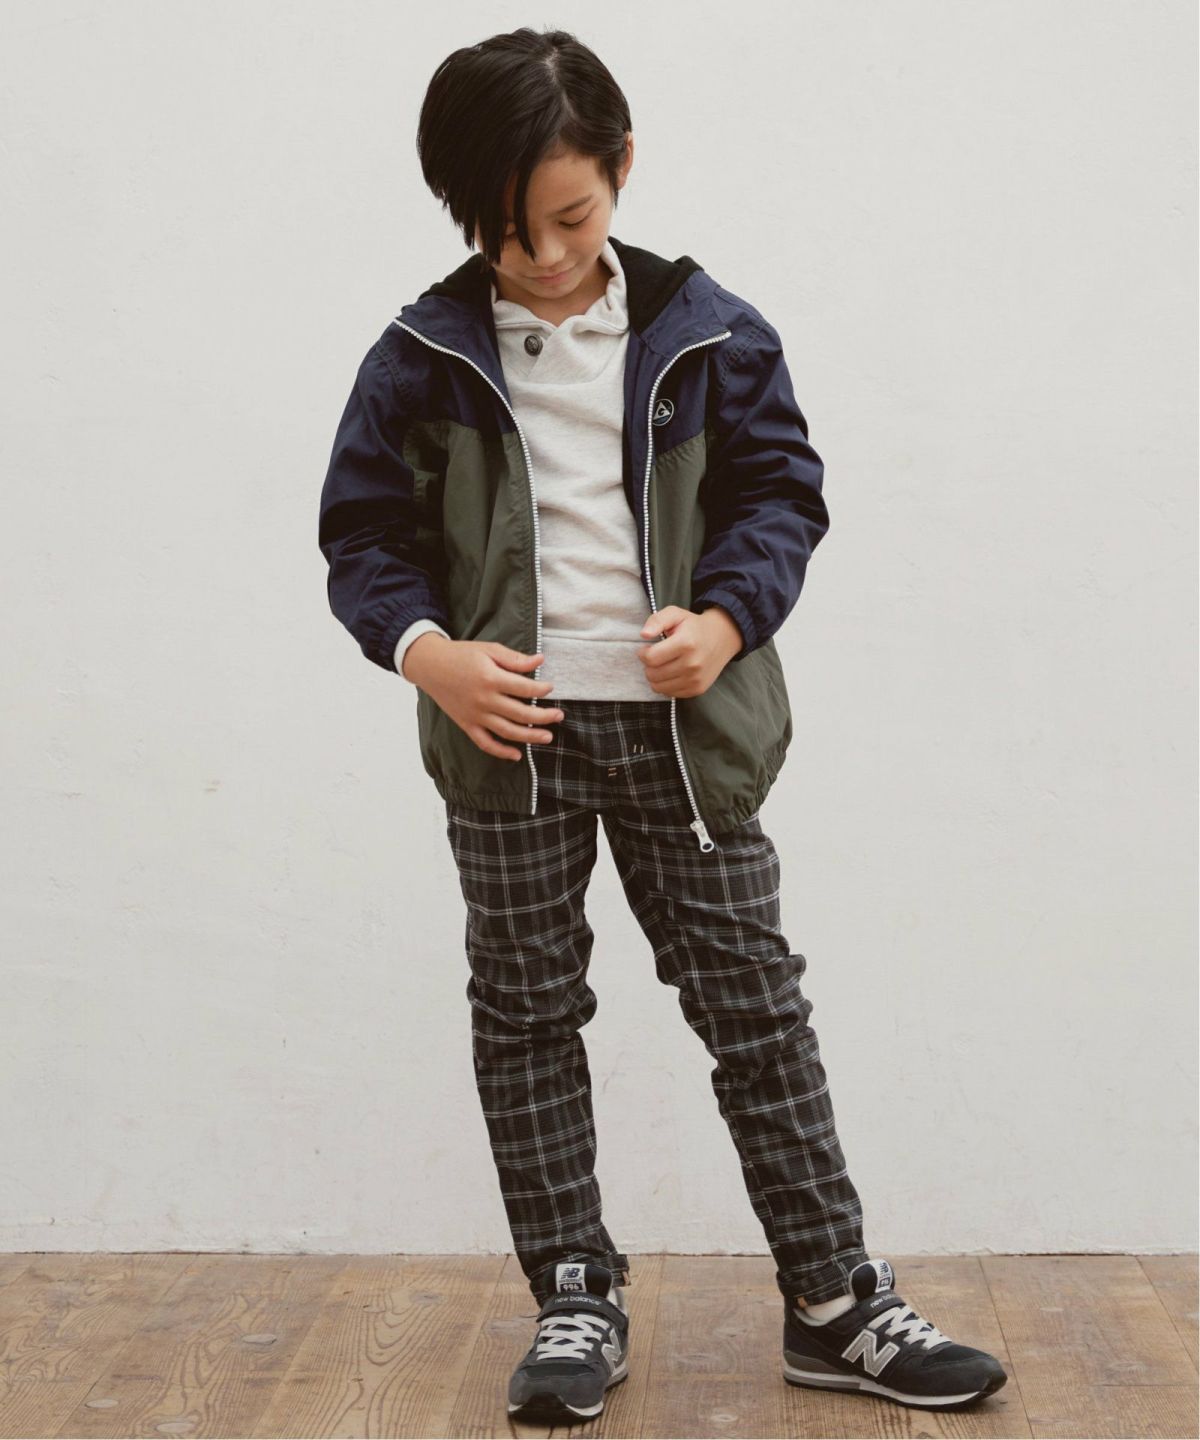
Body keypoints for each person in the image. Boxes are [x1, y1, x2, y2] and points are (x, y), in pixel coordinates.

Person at [318, 24, 1008, 1425]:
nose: (543, 255)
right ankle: (575, 1295)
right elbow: (361, 537)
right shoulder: (421, 356)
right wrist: (431, 658)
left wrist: (729, 622)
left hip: (686, 740)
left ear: (623, 168)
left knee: (755, 1006)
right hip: (509, 744)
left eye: (570, 218)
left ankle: (835, 1301)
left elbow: (783, 497)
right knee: (526, 1014)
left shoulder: (711, 335)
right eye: (505, 230)